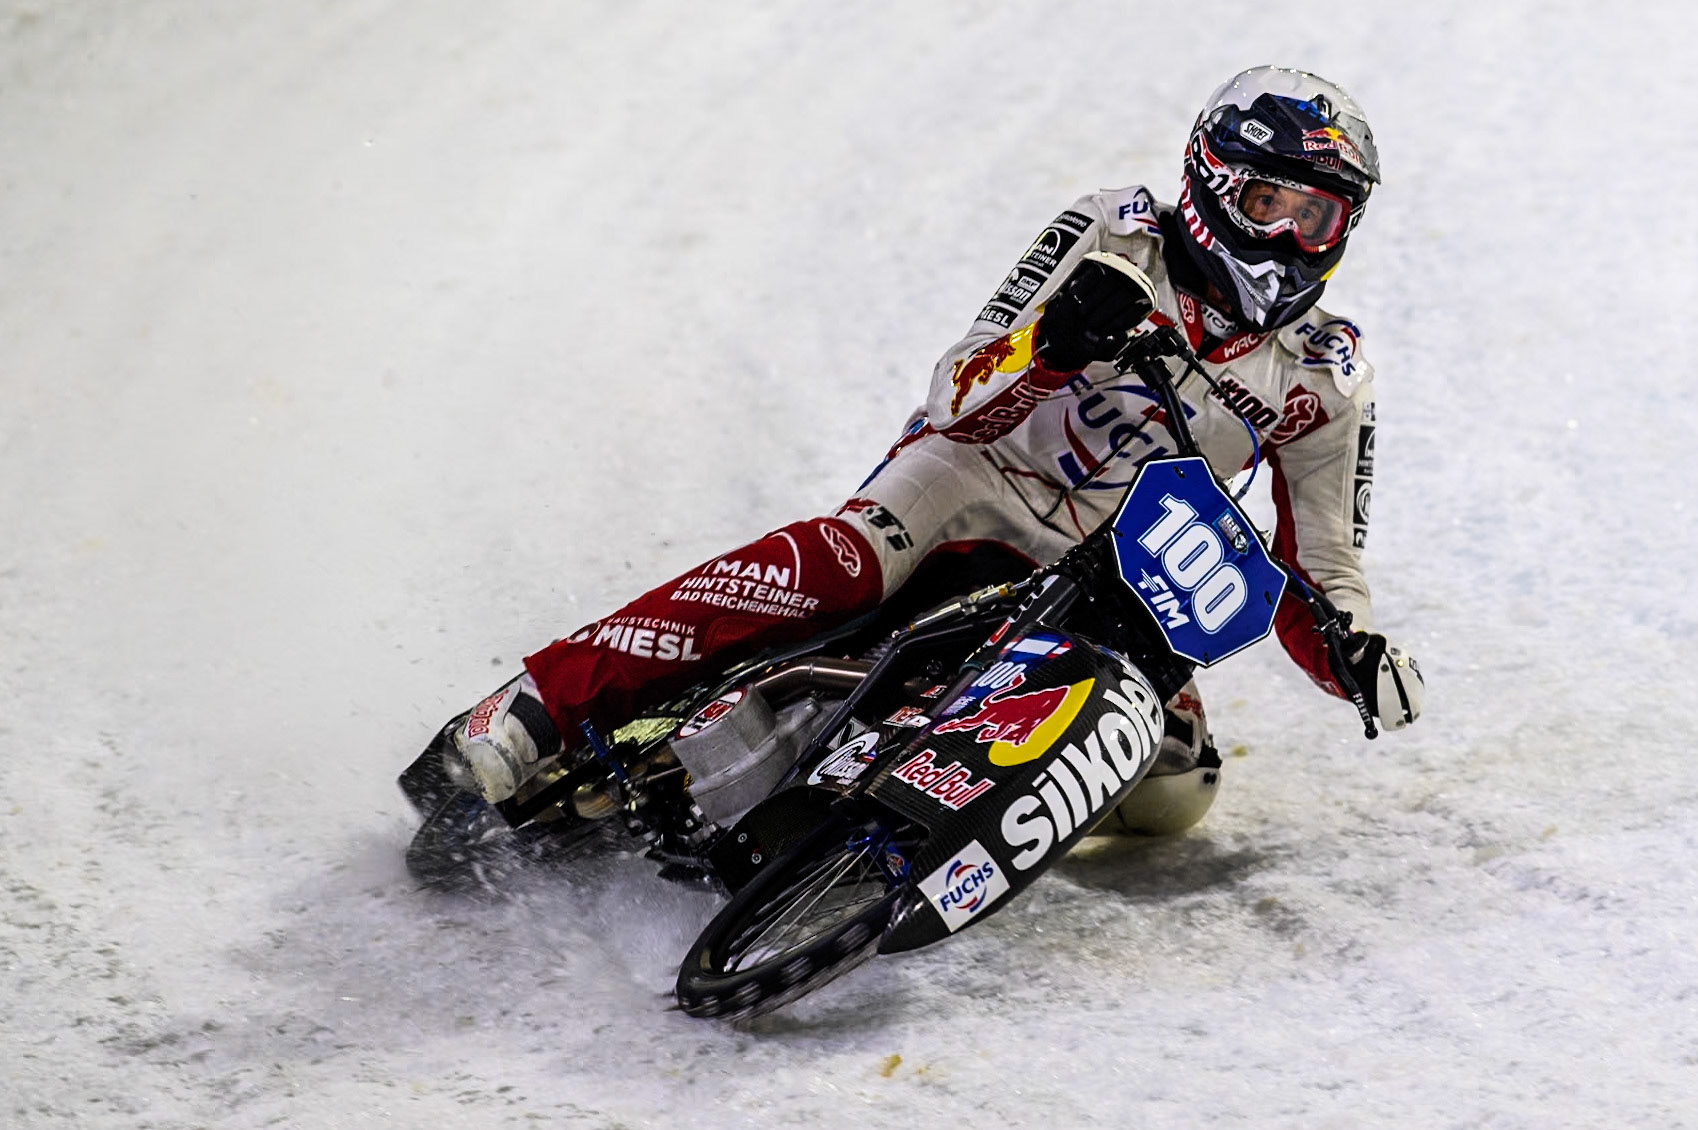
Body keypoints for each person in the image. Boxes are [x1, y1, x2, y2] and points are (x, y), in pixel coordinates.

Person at [447, 65, 1426, 824]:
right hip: (971, 476)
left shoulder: (1323, 377)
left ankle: (888, 795)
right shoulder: (1113, 232)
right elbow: (957, 392)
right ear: (1213, 182)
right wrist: (1051, 345)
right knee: (845, 563)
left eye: (1318, 218)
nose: (1291, 239)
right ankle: (537, 702)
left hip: (1111, 574)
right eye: (1269, 206)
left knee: (1175, 792)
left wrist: (1355, 648)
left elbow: (1321, 563)